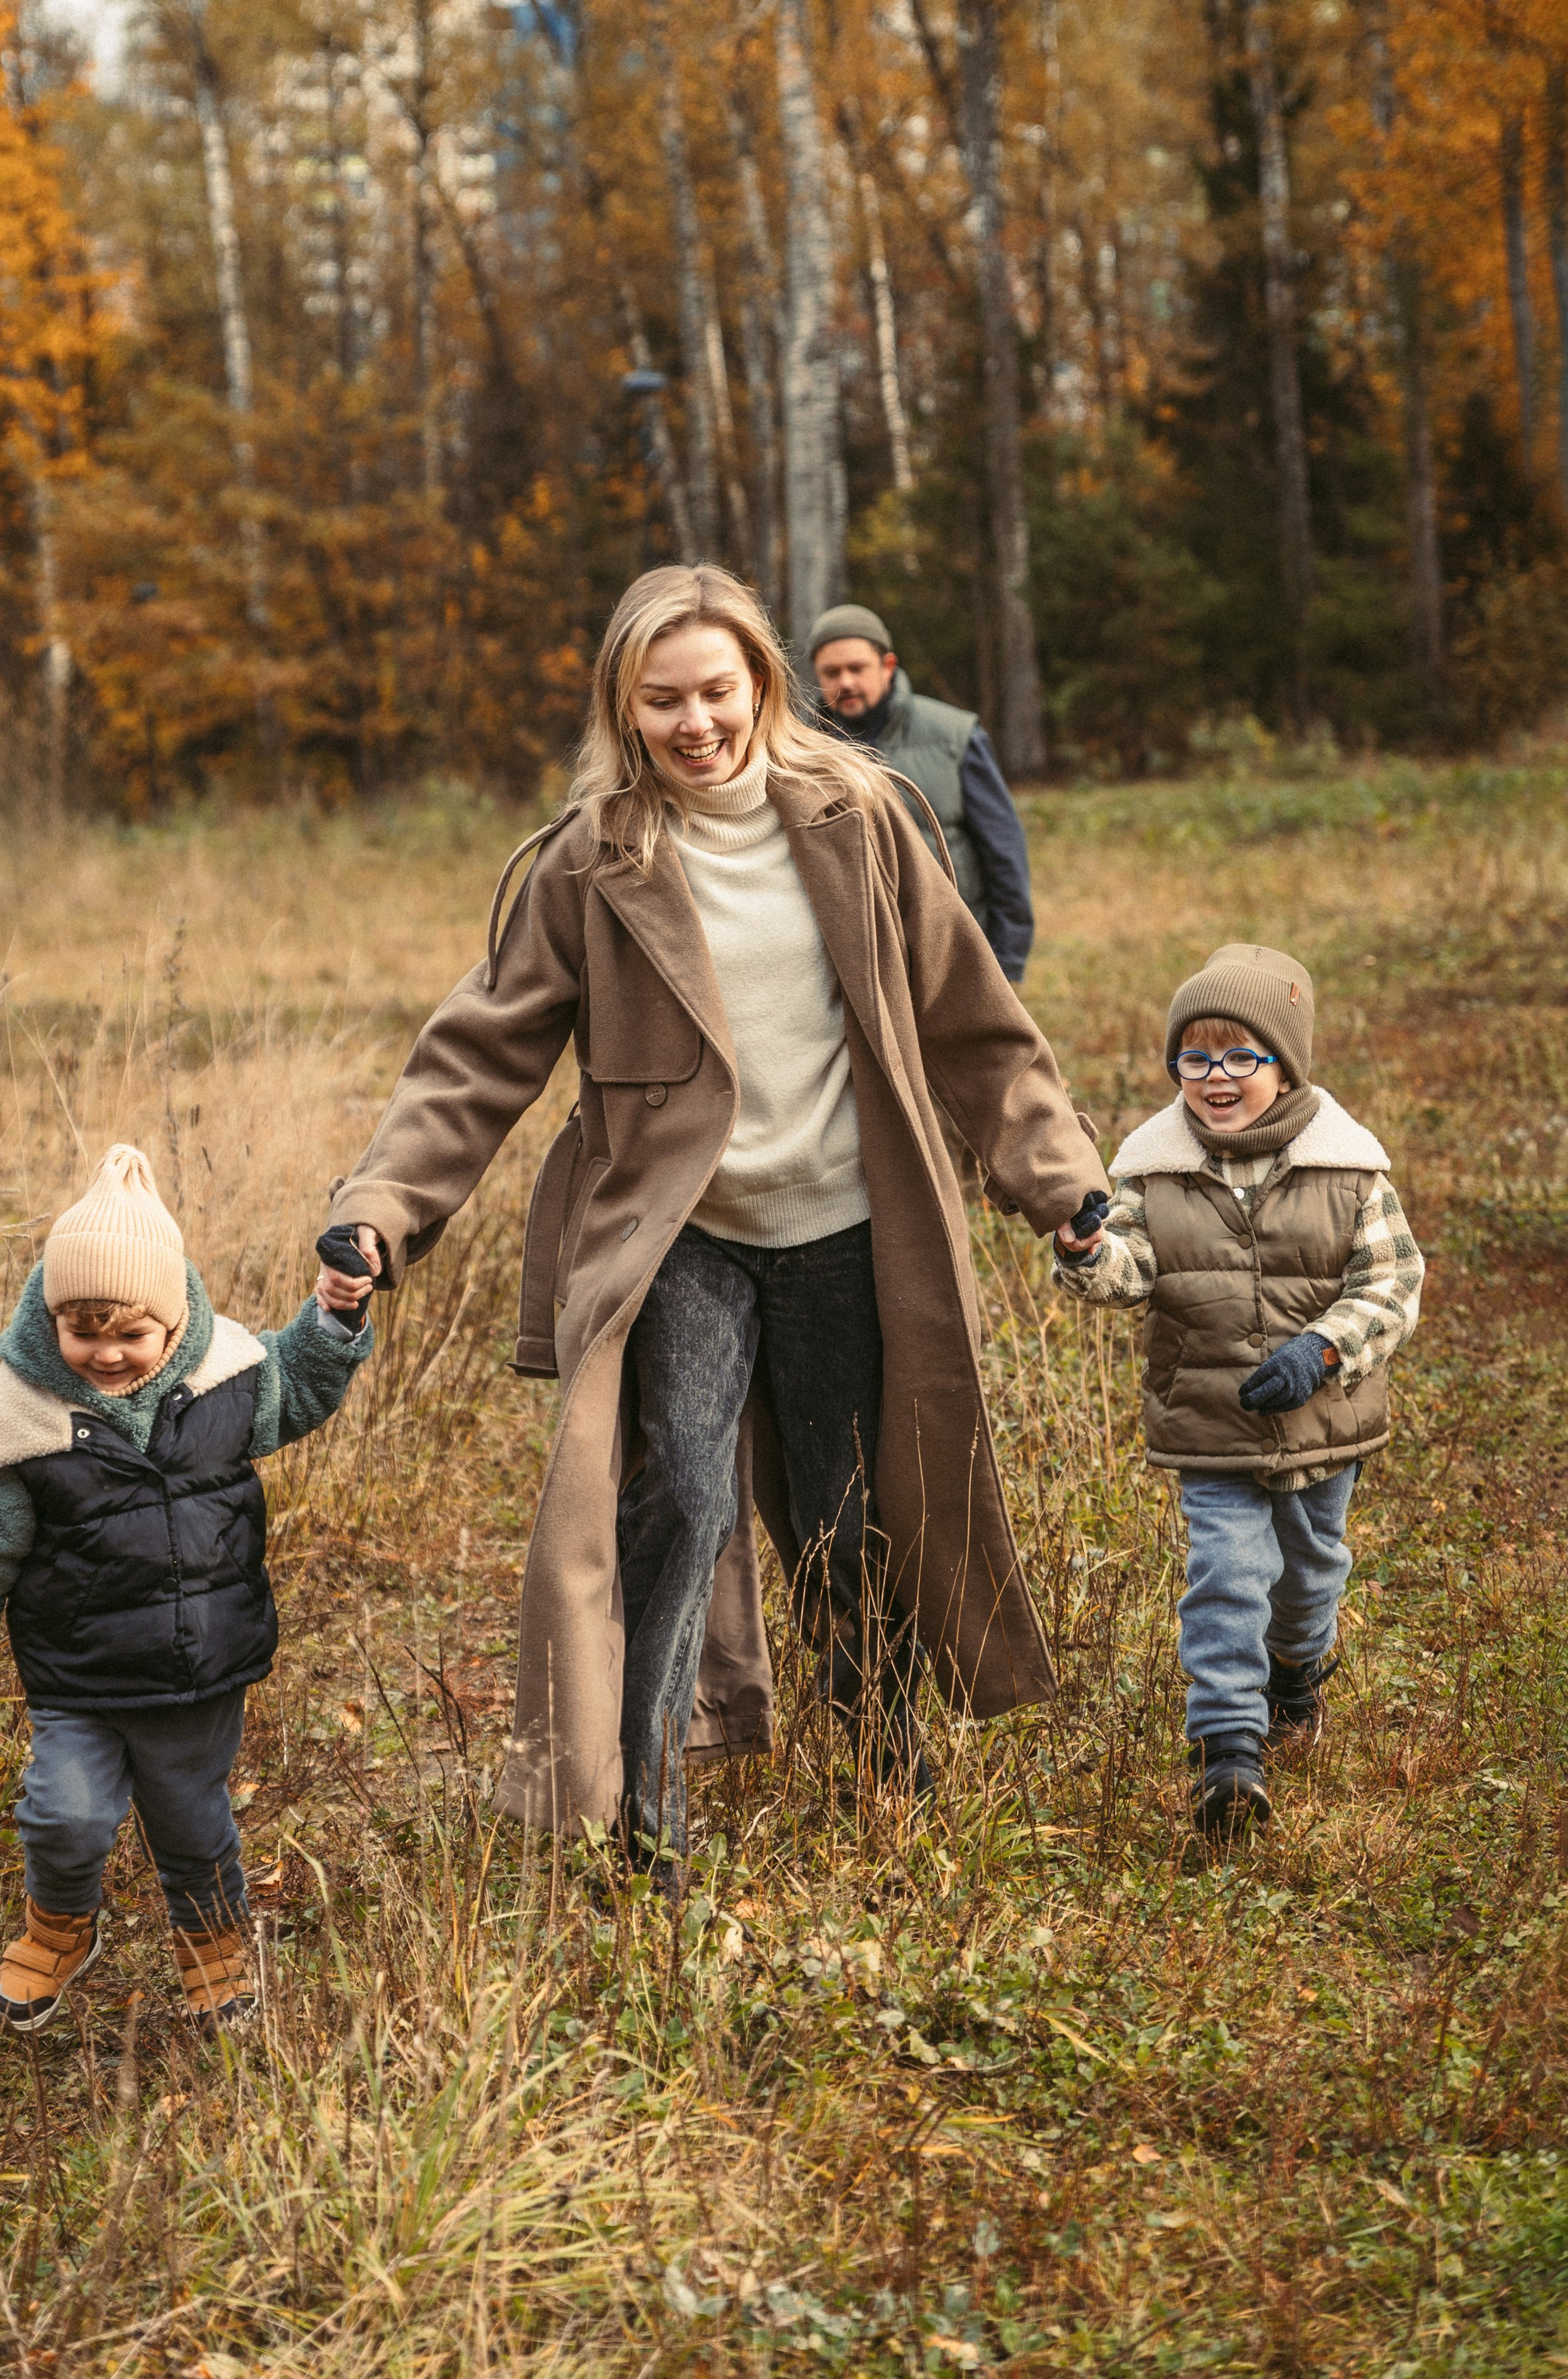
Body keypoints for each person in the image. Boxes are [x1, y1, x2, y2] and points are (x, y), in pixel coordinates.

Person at [323, 564, 1107, 1884]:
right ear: (624, 709)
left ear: (763, 687)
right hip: (683, 1232)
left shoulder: (861, 820)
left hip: (851, 1225)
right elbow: (476, 1057)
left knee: (845, 1516)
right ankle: (645, 1807)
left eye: (717, 693)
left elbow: (977, 1029)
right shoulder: (589, 861)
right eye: (663, 701)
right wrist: (383, 1205)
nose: (695, 725)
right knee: (679, 1498)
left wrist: (1063, 1183)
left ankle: (879, 1761)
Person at [0, 1143, 373, 2034]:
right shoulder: (23, 1416)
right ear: (51, 1321)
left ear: (172, 1323)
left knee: (192, 1823)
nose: (110, 1354)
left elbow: (305, 1384)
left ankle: (212, 1947)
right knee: (65, 1815)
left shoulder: (227, 1380)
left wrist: (335, 1315)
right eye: (85, 1333)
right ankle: (58, 1929)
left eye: (131, 1334)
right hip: (78, 1676)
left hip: (198, 1666)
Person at [1053, 945, 1423, 1838]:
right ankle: (1228, 1750)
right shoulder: (1151, 1167)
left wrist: (1322, 1353)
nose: (1214, 1079)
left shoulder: (1349, 1168)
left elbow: (1391, 1284)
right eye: (1194, 1058)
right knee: (1226, 1575)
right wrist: (1085, 1252)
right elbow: (1130, 1272)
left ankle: (1295, 1673)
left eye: (1239, 1058)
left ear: (1283, 1065)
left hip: (1322, 1423)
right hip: (1211, 1426)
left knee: (1306, 1582)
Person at [808, 603, 1035, 983]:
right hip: (851, 970)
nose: (845, 682)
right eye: (831, 672)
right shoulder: (799, 749)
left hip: (954, 956)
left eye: (857, 668)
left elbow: (1004, 851)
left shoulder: (954, 736)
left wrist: (1006, 960)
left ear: (888, 666)